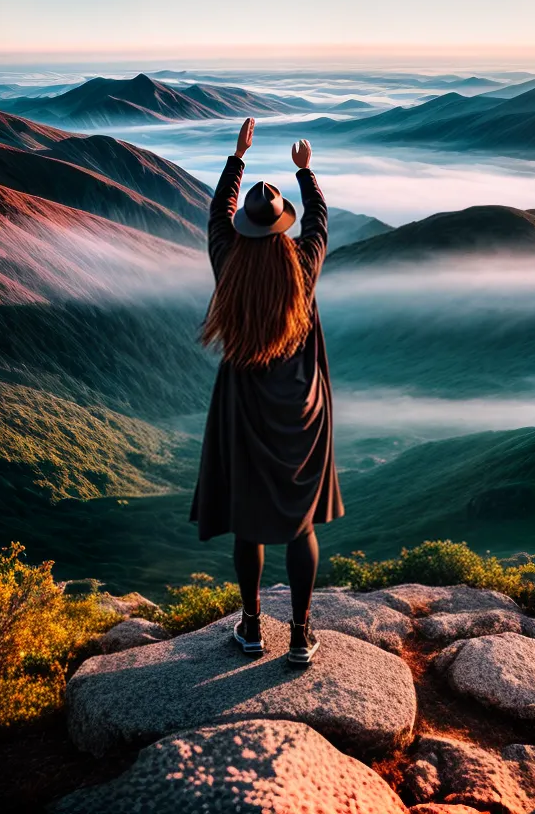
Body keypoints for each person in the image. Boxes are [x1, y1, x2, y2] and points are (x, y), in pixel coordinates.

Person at [191, 117, 343, 666]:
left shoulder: (228, 263)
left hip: (243, 408)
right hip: (302, 408)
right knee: (299, 525)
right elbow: (321, 223)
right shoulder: (303, 268)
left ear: (244, 231)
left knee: (248, 518)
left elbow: (214, 217)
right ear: (283, 228)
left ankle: (252, 628)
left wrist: (237, 159)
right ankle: (301, 636)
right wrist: (307, 174)